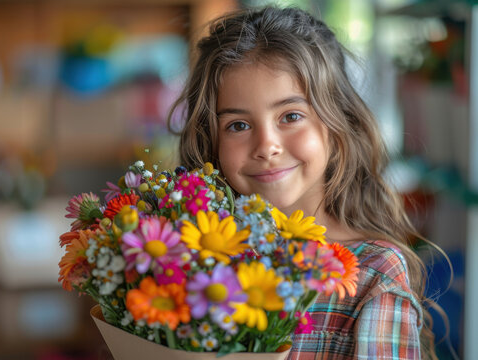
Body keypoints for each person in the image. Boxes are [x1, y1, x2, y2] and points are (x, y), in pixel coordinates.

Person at [168, 6, 442, 360]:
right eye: (238, 125)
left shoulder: (375, 275)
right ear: (211, 142)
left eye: (291, 116)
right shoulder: (196, 260)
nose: (267, 146)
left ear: (338, 125)